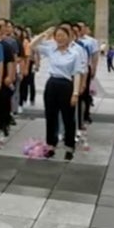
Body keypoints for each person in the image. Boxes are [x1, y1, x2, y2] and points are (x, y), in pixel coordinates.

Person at [31, 25, 87, 160]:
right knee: (51, 116)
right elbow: (33, 45)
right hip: (52, 84)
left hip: (67, 85)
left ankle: (69, 146)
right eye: (57, 36)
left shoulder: (74, 53)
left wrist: (75, 93)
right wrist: (45, 33)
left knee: (68, 118)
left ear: (69, 37)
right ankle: (51, 145)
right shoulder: (51, 49)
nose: (60, 38)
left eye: (63, 35)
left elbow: (78, 73)